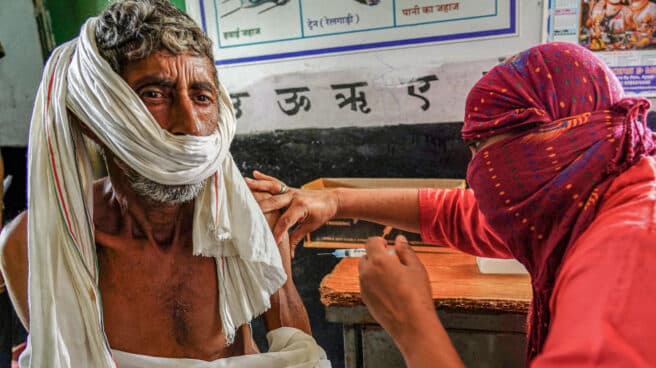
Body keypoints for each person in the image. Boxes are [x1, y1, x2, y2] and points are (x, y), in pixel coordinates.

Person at [247, 42, 656, 367]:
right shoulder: (582, 196)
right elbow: (461, 215)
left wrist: (412, 323)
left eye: (482, 147)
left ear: (550, 140)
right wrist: (335, 200)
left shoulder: (626, 264)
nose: (477, 170)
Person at [0, 1, 329, 367]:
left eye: (203, 97)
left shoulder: (251, 220)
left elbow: (300, 356)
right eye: (154, 94)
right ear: (98, 116)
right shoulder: (33, 245)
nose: (188, 124)